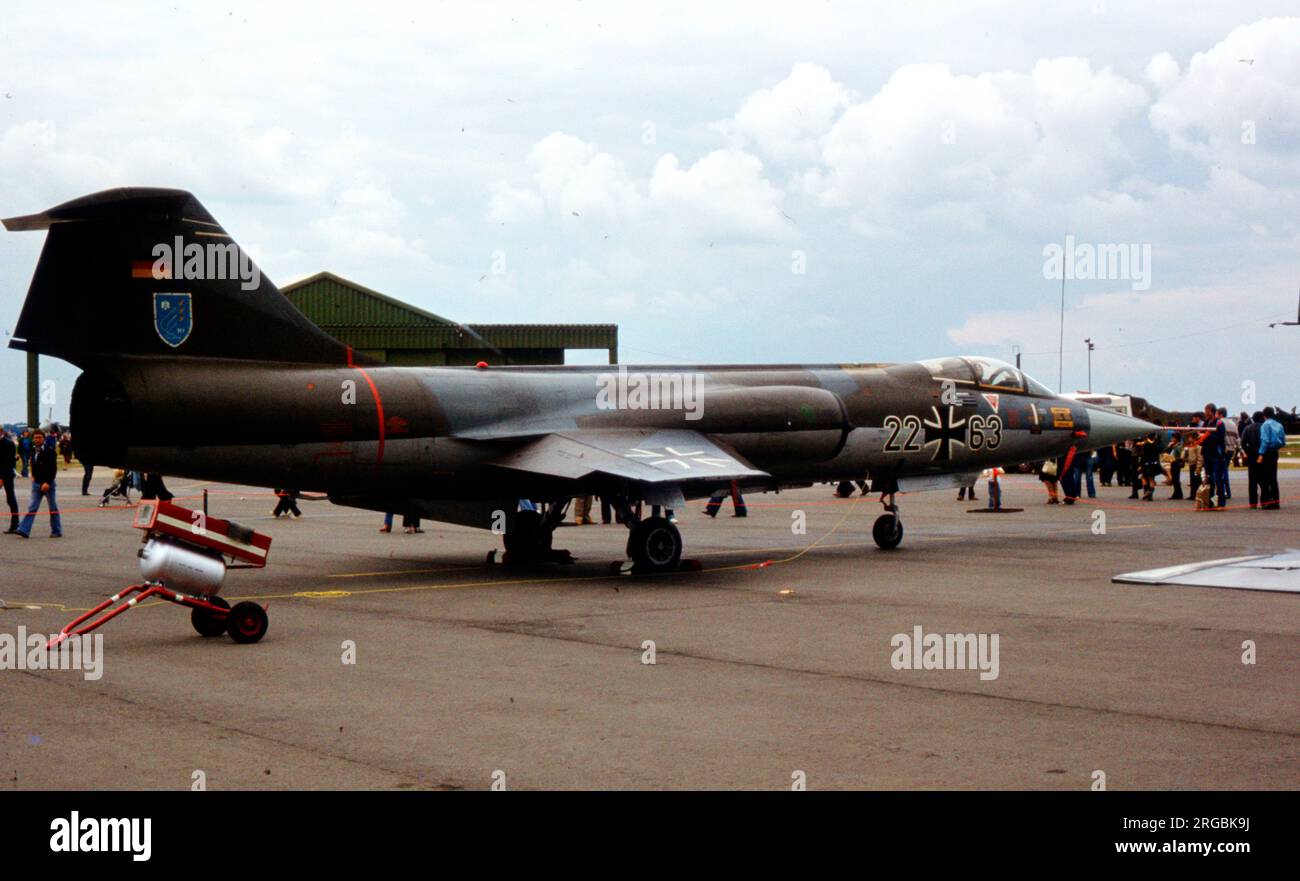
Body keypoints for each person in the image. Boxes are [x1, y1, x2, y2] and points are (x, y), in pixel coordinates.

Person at [15, 428, 61, 538]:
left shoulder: (49, 451)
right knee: (32, 507)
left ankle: (56, 530)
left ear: (43, 438)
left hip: (47, 484)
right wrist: (33, 475)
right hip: (36, 483)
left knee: (53, 507)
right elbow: (34, 464)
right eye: (35, 437)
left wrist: (48, 482)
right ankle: (24, 529)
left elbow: (53, 469)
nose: (37, 439)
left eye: (40, 437)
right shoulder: (33, 450)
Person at [1200, 403, 1228, 509]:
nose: (1205, 414)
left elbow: (1219, 437)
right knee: (1209, 478)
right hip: (1206, 453)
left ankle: (1221, 502)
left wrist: (1207, 436)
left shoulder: (1219, 423)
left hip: (1217, 454)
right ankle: (1210, 501)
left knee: (1218, 479)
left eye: (1207, 411)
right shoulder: (1206, 423)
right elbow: (1201, 435)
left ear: (1212, 412)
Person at [1258, 407, 1285, 510]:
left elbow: (1265, 440)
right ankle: (1276, 501)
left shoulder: (1265, 425)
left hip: (1267, 453)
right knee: (1273, 478)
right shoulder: (1279, 425)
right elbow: (1283, 441)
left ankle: (1266, 501)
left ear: (1264, 415)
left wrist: (1261, 454)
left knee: (1265, 478)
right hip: (1275, 452)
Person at [1240, 411, 1264, 508]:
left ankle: (1253, 502)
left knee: (1252, 480)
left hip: (1252, 456)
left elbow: (1242, 443)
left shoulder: (1248, 428)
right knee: (1264, 479)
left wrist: (1248, 451)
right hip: (1263, 455)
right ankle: (1265, 500)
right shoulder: (1264, 427)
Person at [1, 428, 19, 533]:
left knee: (10, 499)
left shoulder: (8, 444)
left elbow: (9, 463)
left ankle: (15, 524)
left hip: (6, 475)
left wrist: (1, 478)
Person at [1167, 431, 1184, 500]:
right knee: (1174, 479)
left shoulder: (1179, 445)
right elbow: (1167, 451)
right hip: (1172, 462)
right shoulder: (1173, 445)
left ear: (1176, 439)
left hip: (1177, 462)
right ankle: (1177, 493)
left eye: (1173, 438)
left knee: (1176, 479)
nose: (1171, 439)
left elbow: (1180, 453)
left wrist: (1174, 446)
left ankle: (1178, 493)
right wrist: (1170, 446)